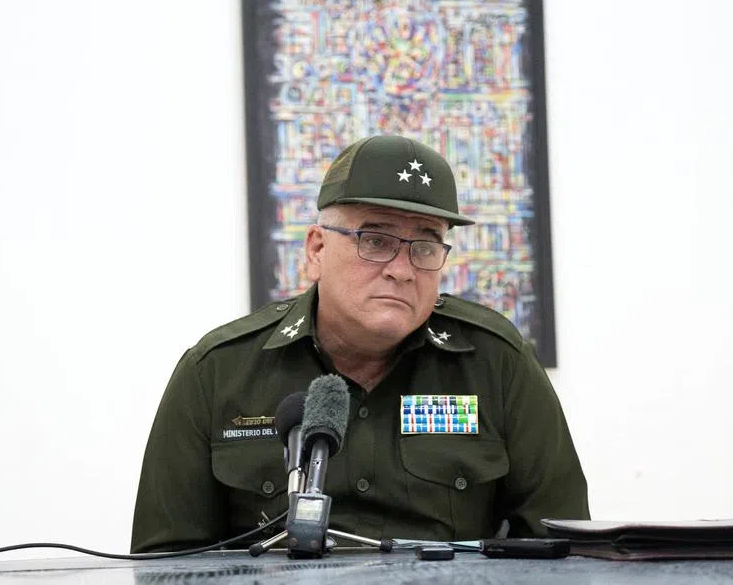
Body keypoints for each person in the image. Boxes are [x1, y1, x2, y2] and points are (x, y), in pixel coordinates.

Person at [130, 134, 589, 552]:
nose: (402, 269)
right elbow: (165, 566)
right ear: (316, 251)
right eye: (375, 239)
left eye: (425, 246)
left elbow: (563, 551)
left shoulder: (497, 363)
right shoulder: (217, 372)